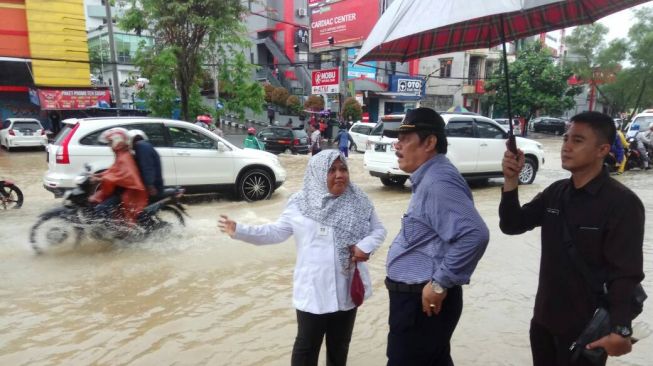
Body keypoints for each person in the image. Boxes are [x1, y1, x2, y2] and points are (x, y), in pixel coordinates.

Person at [499, 111, 644, 366]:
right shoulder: (556, 193)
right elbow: (512, 225)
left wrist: (621, 330)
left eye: (577, 140)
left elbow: (626, 274)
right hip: (543, 323)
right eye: (566, 138)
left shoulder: (622, 203)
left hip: (586, 331)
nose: (566, 147)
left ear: (602, 150)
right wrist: (510, 180)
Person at [218, 150, 386, 366]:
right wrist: (240, 230)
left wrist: (365, 246)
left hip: (346, 287)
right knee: (306, 348)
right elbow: (275, 232)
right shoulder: (300, 204)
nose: (339, 175)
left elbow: (378, 230)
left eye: (343, 168)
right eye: (331, 170)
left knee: (340, 346)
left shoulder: (358, 200)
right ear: (317, 173)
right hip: (313, 291)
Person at [383, 108, 490, 365]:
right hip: (418, 302)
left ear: (430, 142)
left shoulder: (438, 182)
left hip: (422, 302)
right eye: (398, 138)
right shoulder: (430, 177)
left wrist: (440, 283)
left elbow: (475, 234)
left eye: (406, 138)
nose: (398, 145)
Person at [89, 127, 148, 225]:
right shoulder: (121, 154)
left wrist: (100, 178)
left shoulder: (124, 157)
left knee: (100, 209)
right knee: (94, 200)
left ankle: (109, 232)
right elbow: (113, 170)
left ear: (117, 141)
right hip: (120, 190)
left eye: (110, 142)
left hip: (126, 193)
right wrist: (98, 175)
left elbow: (124, 176)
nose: (109, 145)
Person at [128, 129, 164, 200]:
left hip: (153, 186)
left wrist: (150, 186)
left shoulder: (141, 147)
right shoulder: (143, 146)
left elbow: (147, 167)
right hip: (151, 183)